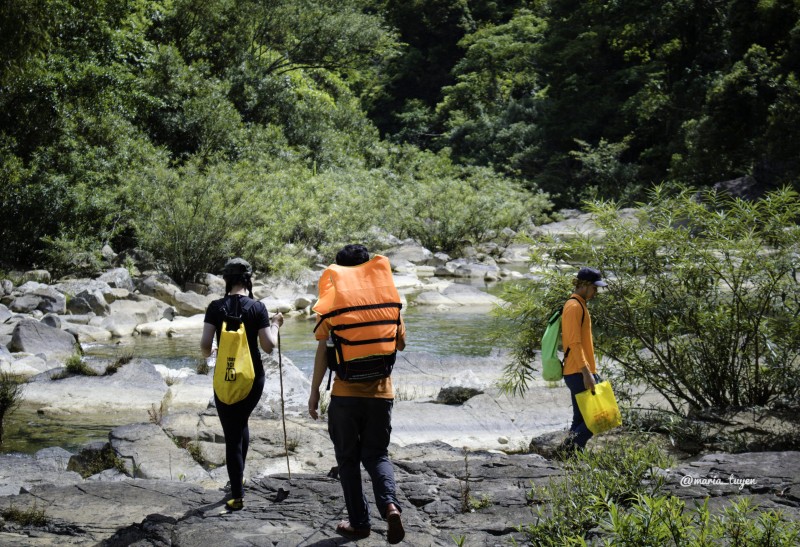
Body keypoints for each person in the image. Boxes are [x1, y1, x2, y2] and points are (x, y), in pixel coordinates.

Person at [307, 244, 406, 544]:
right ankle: (389, 507)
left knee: (348, 460)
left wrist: (314, 394)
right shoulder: (389, 301)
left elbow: (322, 352)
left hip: (345, 396)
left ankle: (359, 524)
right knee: (377, 454)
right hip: (381, 393)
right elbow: (400, 344)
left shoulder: (333, 305)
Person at [200, 257, 283, 511]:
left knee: (232, 434)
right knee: (240, 423)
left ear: (227, 280)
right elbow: (269, 347)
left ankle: (237, 495)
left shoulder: (215, 307)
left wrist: (216, 352)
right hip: (252, 379)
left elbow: (205, 347)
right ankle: (240, 479)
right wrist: (276, 325)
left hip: (224, 378)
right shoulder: (257, 308)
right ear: (248, 279)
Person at [559, 266, 607, 453]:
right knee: (596, 418)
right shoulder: (573, 306)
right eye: (595, 288)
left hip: (580, 371)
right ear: (584, 285)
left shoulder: (579, 304)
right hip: (579, 372)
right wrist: (587, 373)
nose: (596, 292)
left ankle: (570, 458)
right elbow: (574, 343)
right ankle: (566, 451)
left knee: (580, 420)